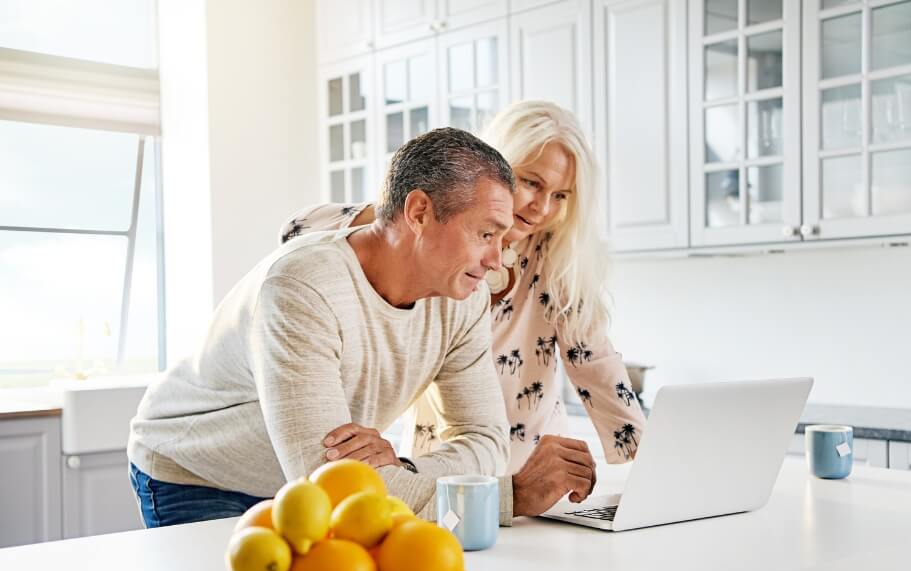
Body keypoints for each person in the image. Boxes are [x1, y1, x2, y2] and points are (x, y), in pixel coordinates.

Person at [127, 127, 597, 528]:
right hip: (199, 472)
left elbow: (486, 443)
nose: (497, 260)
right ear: (419, 213)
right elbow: (332, 483)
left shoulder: (463, 296)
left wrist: (400, 466)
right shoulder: (303, 286)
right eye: (485, 234)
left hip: (303, 481)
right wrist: (505, 498)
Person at [280, 101, 646, 478]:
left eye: (560, 195)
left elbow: (596, 364)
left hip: (534, 474)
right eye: (532, 183)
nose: (542, 208)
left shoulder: (557, 262)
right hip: (439, 467)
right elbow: (298, 228)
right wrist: (409, 216)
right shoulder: (430, 243)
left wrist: (652, 463)